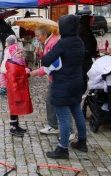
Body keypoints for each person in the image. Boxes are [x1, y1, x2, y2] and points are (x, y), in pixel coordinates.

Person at [41, 15, 87, 159]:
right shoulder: (79, 41)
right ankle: (82, 142)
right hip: (77, 82)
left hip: (63, 85)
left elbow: (46, 60)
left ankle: (63, 148)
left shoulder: (63, 43)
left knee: (63, 117)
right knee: (77, 112)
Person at [30, 26, 75, 141]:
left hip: (59, 78)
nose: (37, 38)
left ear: (44, 34)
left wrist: (38, 72)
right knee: (51, 101)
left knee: (61, 104)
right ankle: (54, 125)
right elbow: (48, 59)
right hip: (55, 78)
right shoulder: (49, 41)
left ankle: (68, 130)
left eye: (37, 35)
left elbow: (53, 64)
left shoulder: (53, 42)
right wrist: (40, 54)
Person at [5, 44, 33, 137]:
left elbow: (22, 75)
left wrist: (27, 72)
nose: (21, 54)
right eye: (18, 53)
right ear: (13, 55)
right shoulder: (13, 66)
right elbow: (12, 82)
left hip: (20, 90)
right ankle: (13, 128)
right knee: (14, 109)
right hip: (15, 92)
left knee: (17, 110)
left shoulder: (19, 63)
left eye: (21, 52)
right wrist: (16, 95)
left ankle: (16, 125)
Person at [78, 15, 98, 93]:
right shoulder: (84, 30)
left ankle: (84, 91)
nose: (92, 22)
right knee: (91, 74)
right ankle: (89, 92)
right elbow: (89, 44)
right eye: (91, 21)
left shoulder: (83, 28)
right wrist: (95, 53)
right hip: (85, 57)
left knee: (84, 75)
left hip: (83, 56)